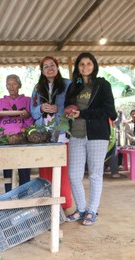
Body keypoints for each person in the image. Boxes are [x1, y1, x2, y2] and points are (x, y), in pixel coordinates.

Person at [65, 52, 117, 225]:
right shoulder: (73, 86)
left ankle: (92, 210)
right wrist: (69, 112)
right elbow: (67, 107)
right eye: (81, 64)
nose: (85, 67)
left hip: (97, 135)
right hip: (76, 135)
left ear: (94, 66)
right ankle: (81, 209)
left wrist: (83, 113)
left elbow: (110, 112)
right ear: (77, 68)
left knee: (95, 174)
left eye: (88, 63)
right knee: (74, 175)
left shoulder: (102, 85)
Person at [30, 56, 72, 210]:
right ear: (42, 70)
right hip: (43, 134)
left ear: (57, 66)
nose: (49, 68)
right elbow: (32, 111)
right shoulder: (37, 88)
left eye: (52, 65)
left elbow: (75, 106)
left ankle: (64, 205)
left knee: (62, 170)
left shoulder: (68, 85)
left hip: (61, 133)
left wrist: (59, 110)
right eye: (45, 66)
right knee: (45, 170)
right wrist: (41, 109)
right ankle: (48, 206)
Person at [0, 74, 34, 192]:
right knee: (8, 171)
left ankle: (25, 196)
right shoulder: (0, 102)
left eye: (14, 83)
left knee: (24, 170)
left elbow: (33, 124)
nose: (11, 86)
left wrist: (27, 117)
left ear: (19, 85)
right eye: (9, 84)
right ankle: (9, 196)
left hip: (23, 140)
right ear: (6, 86)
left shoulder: (27, 101)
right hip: (5, 141)